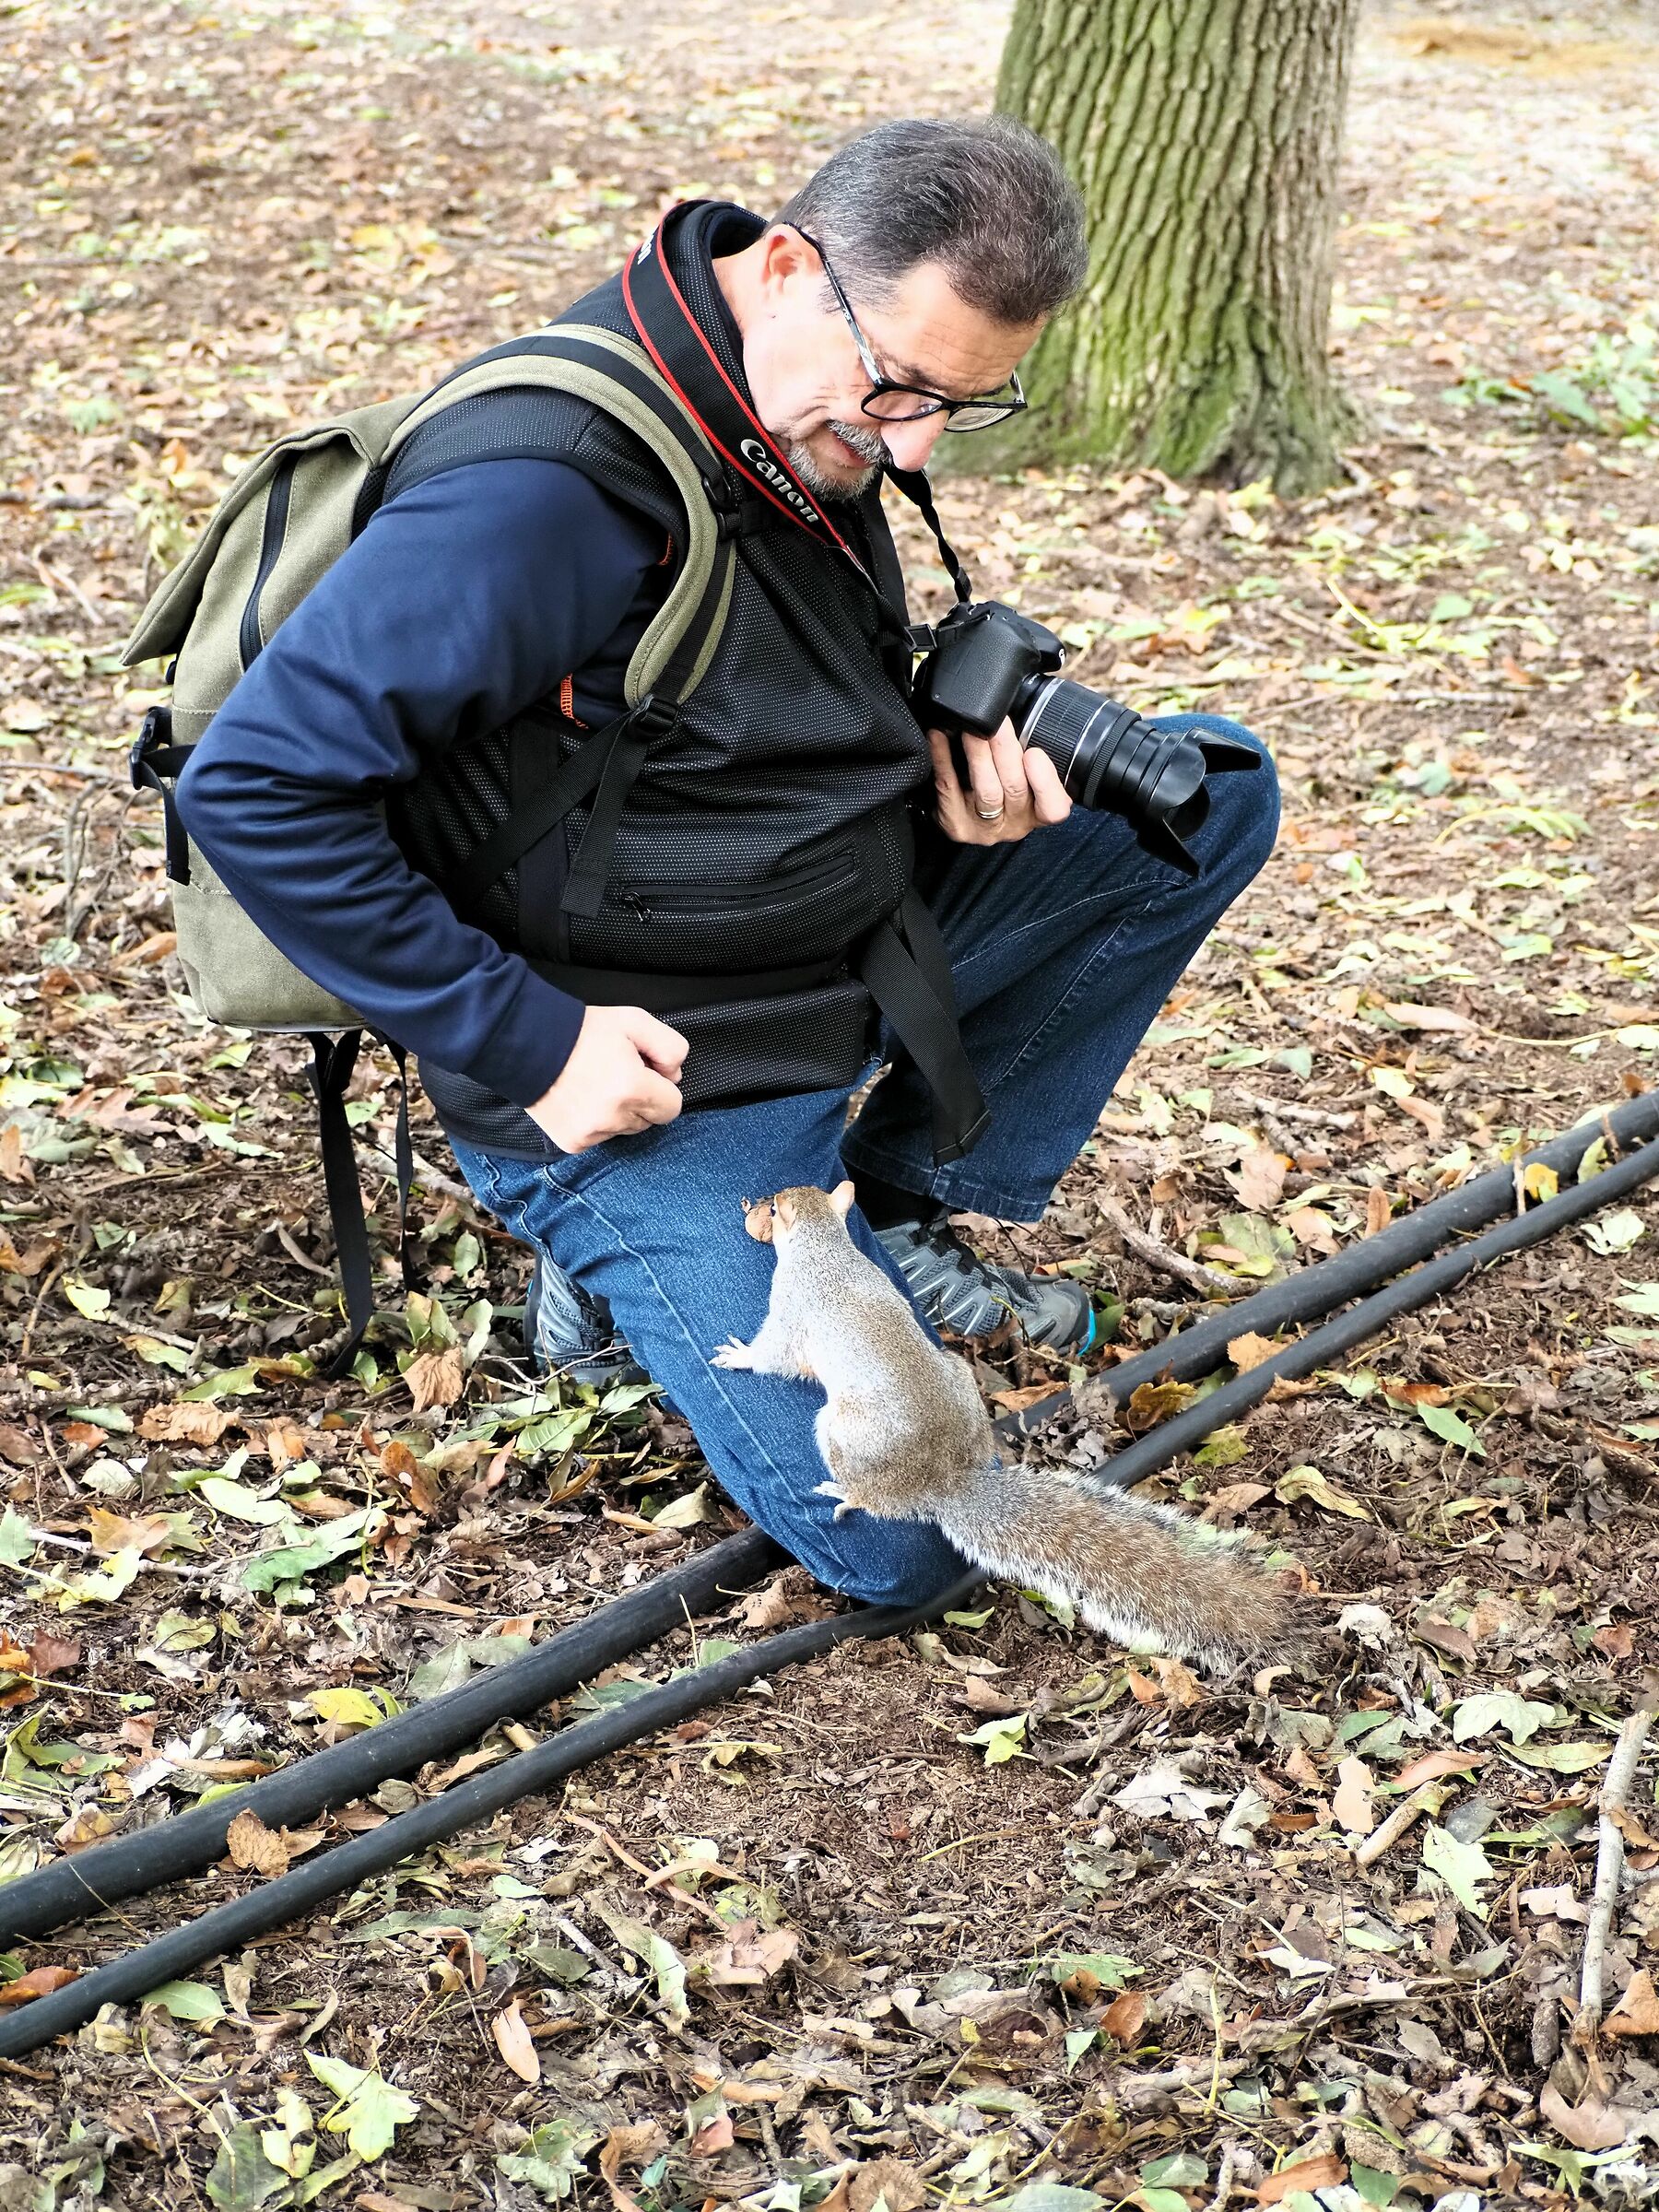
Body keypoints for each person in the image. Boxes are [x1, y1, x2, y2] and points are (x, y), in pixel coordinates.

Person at [176, 115, 1279, 1611]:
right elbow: (258, 786)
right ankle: (611, 1260)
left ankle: (881, 1206)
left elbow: (705, 710)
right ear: (784, 266)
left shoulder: (782, 396)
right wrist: (532, 1042)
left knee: (1200, 798)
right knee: (907, 1539)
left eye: (964, 405)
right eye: (897, 388)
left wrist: (935, 794)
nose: (912, 446)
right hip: (652, 1059)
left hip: (822, 943)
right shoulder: (548, 495)